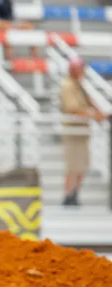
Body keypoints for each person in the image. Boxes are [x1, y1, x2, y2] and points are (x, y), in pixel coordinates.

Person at [60, 58, 105, 207]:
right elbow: (72, 109)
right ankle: (68, 195)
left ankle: (75, 193)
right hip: (73, 132)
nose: (83, 72)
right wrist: (93, 115)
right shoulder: (68, 86)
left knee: (81, 165)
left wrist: (97, 112)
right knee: (73, 166)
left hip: (82, 131)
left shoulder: (80, 85)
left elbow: (89, 103)